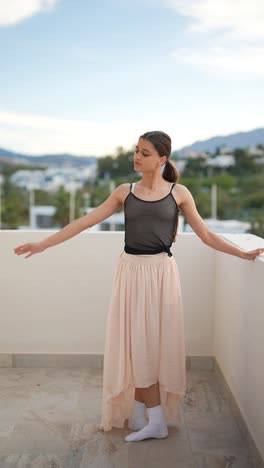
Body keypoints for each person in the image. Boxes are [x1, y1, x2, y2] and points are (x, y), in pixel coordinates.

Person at [14, 130, 264, 443]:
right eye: (136, 151)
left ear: (163, 159)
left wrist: (242, 253)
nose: (137, 157)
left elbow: (207, 235)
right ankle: (137, 412)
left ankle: (156, 421)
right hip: (130, 273)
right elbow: (85, 221)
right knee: (135, 345)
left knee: (150, 347)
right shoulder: (124, 191)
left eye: (145, 153)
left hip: (161, 274)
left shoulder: (179, 193)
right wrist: (42, 244)